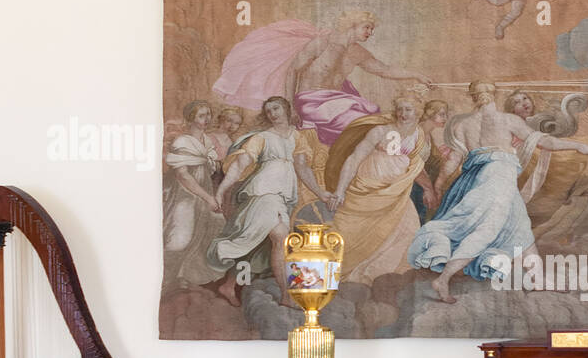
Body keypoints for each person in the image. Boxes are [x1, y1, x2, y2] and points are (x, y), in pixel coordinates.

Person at [407, 81, 588, 303]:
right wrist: (579, 146)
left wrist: (440, 185)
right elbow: (546, 142)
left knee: (521, 229)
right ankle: (443, 279)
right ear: (494, 94)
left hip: (481, 180)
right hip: (497, 179)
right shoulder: (508, 120)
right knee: (486, 230)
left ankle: (537, 279)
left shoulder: (462, 125)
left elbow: (453, 160)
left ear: (472, 97)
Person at [206, 96, 326, 307]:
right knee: (280, 237)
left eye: (276, 108)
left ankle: (229, 284)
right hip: (262, 192)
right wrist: (221, 191)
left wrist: (322, 194)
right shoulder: (262, 137)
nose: (273, 113)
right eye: (268, 110)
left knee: (261, 242)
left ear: (286, 109)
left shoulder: (297, 137)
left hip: (283, 195)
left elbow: (303, 169)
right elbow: (239, 165)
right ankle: (286, 295)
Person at [320, 95, 433, 284]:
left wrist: (428, 189)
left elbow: (417, 166)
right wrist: (340, 190)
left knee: (407, 228)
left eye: (409, 110)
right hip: (369, 187)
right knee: (351, 230)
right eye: (400, 109)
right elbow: (355, 157)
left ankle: (376, 277)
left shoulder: (420, 135)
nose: (403, 114)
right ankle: (334, 276)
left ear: (418, 112)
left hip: (397, 191)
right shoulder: (380, 130)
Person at [284, 10, 432, 147]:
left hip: (336, 103)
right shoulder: (323, 42)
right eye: (367, 27)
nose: (370, 33)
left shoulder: (357, 52)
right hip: (311, 102)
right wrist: (290, 106)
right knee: (362, 122)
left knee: (372, 118)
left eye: (372, 29)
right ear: (352, 25)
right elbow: (292, 71)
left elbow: (384, 70)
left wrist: (417, 76)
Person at [163, 101, 224, 289]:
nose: (207, 119)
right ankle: (164, 278)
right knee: (180, 239)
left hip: (205, 193)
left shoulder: (207, 141)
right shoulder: (182, 141)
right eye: (201, 116)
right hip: (186, 195)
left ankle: (183, 275)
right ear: (191, 118)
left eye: (208, 114)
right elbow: (183, 176)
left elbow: (212, 168)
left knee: (210, 230)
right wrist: (207, 197)